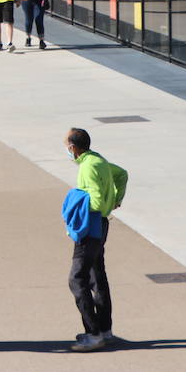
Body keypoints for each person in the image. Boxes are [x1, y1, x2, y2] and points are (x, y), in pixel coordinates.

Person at [65, 127, 128, 352]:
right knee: (96, 275)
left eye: (67, 146)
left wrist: (77, 210)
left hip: (90, 227)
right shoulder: (98, 160)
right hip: (101, 225)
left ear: (73, 147)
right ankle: (105, 330)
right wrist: (117, 199)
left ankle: (93, 334)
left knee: (77, 279)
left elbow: (97, 200)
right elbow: (122, 174)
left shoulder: (88, 166)